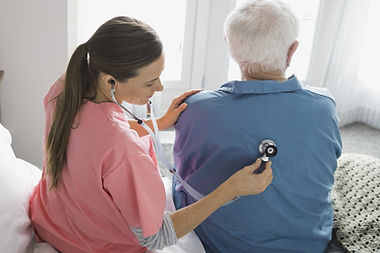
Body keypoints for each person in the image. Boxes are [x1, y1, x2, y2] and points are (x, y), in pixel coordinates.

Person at [28, 16, 273, 253]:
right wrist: (231, 189)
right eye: (150, 82)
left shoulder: (64, 90)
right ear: (111, 81)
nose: (160, 88)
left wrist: (161, 122)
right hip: (91, 246)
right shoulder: (124, 149)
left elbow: (96, 139)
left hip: (50, 224)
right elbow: (156, 236)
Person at [172, 1, 342, 253]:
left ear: (229, 45)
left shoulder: (195, 107)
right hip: (310, 245)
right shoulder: (324, 105)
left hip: (221, 245)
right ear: (292, 50)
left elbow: (183, 174)